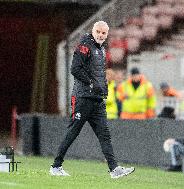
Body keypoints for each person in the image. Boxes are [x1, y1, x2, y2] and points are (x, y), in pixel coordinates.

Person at [49, 21, 135, 178]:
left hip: (97, 99)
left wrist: (102, 89)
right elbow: (75, 68)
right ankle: (55, 166)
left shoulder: (101, 49)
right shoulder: (85, 45)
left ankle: (114, 169)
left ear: (107, 34)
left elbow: (98, 74)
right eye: (98, 32)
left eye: (103, 33)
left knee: (104, 134)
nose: (100, 35)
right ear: (93, 31)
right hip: (83, 97)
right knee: (73, 131)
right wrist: (91, 82)